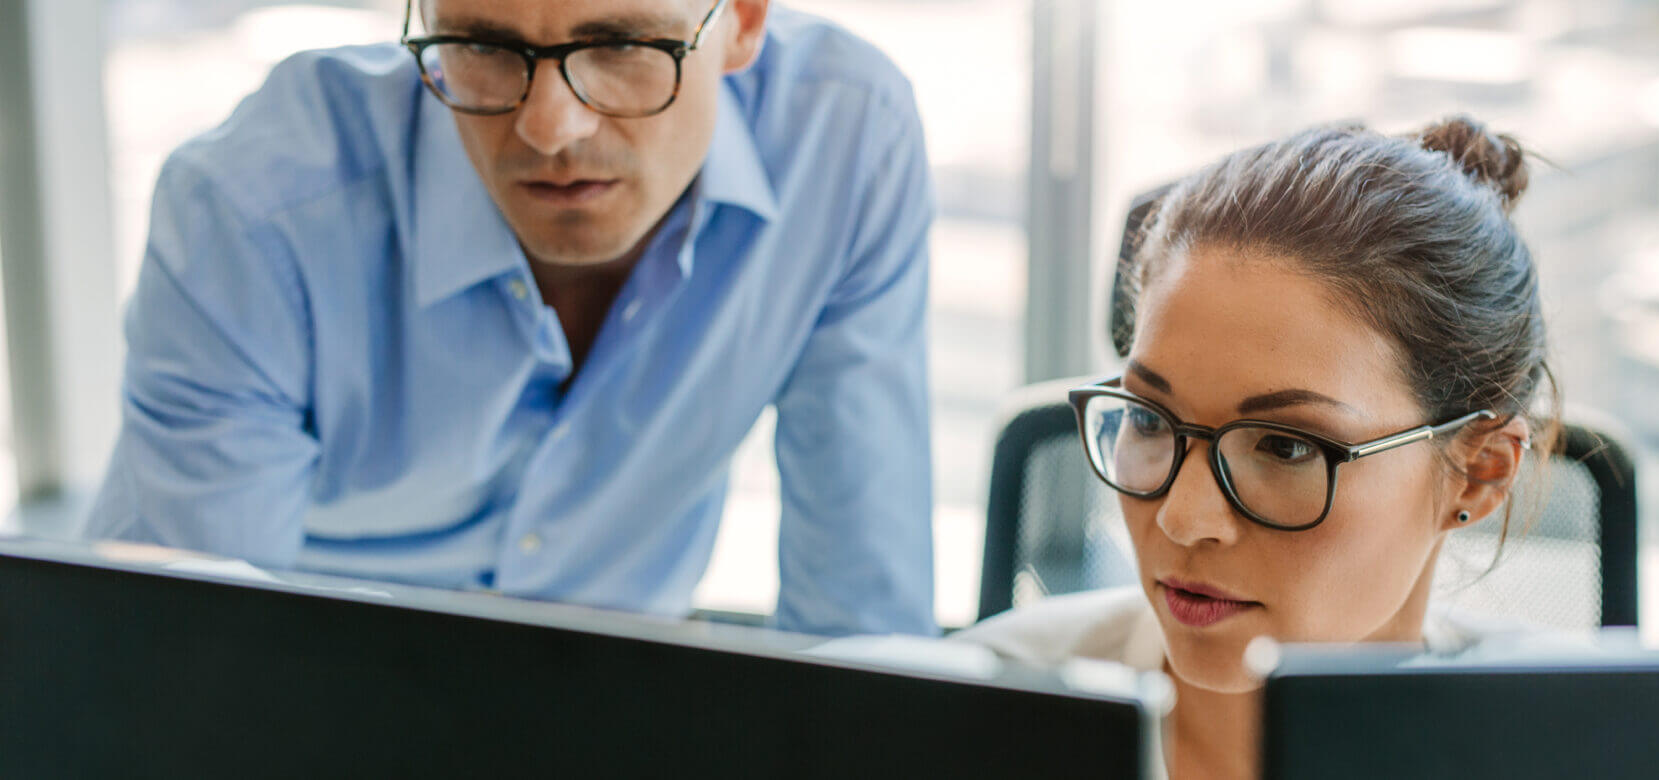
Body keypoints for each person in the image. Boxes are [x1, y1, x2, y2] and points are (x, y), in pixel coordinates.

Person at [84, 0, 938, 637]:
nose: (548, 127)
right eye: (485, 46)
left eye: (620, 44)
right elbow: (192, 669)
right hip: (307, 714)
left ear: (743, 21)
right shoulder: (255, 211)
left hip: (622, 713)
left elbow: (858, 627)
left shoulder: (845, 141)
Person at [954, 116, 1552, 777]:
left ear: (1479, 475)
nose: (1183, 518)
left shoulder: (1575, 747)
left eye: (1285, 446)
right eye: (1151, 420)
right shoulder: (962, 712)